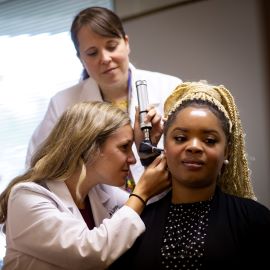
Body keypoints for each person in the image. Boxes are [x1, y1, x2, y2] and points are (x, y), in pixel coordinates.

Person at [110, 81, 270, 270]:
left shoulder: (255, 219)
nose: (193, 146)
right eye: (180, 138)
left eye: (209, 140)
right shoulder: (135, 223)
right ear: (165, 147)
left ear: (226, 152)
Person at [25, 6, 182, 192]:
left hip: (165, 198)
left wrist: (147, 149)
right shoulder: (62, 104)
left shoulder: (169, 88)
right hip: (101, 212)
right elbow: (39, 167)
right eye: (92, 53)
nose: (105, 58)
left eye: (111, 46)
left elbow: (188, 154)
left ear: (126, 42)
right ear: (80, 58)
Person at [0, 101, 171, 270]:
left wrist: (147, 154)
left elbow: (150, 209)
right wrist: (140, 193)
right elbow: (90, 255)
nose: (132, 159)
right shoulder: (26, 197)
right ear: (89, 147)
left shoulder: (100, 191)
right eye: (124, 147)